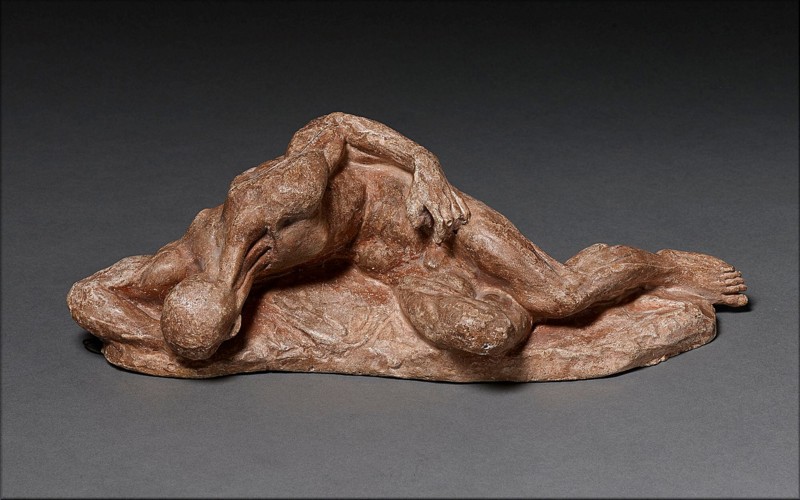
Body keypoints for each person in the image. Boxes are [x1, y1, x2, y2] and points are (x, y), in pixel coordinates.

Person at [71, 112, 747, 362]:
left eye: (224, 330)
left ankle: (662, 268)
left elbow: (330, 127)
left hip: (429, 223)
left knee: (561, 295)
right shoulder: (183, 271)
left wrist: (423, 162)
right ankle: (503, 312)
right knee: (488, 335)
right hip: (400, 273)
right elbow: (88, 297)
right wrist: (154, 342)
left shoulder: (265, 204)